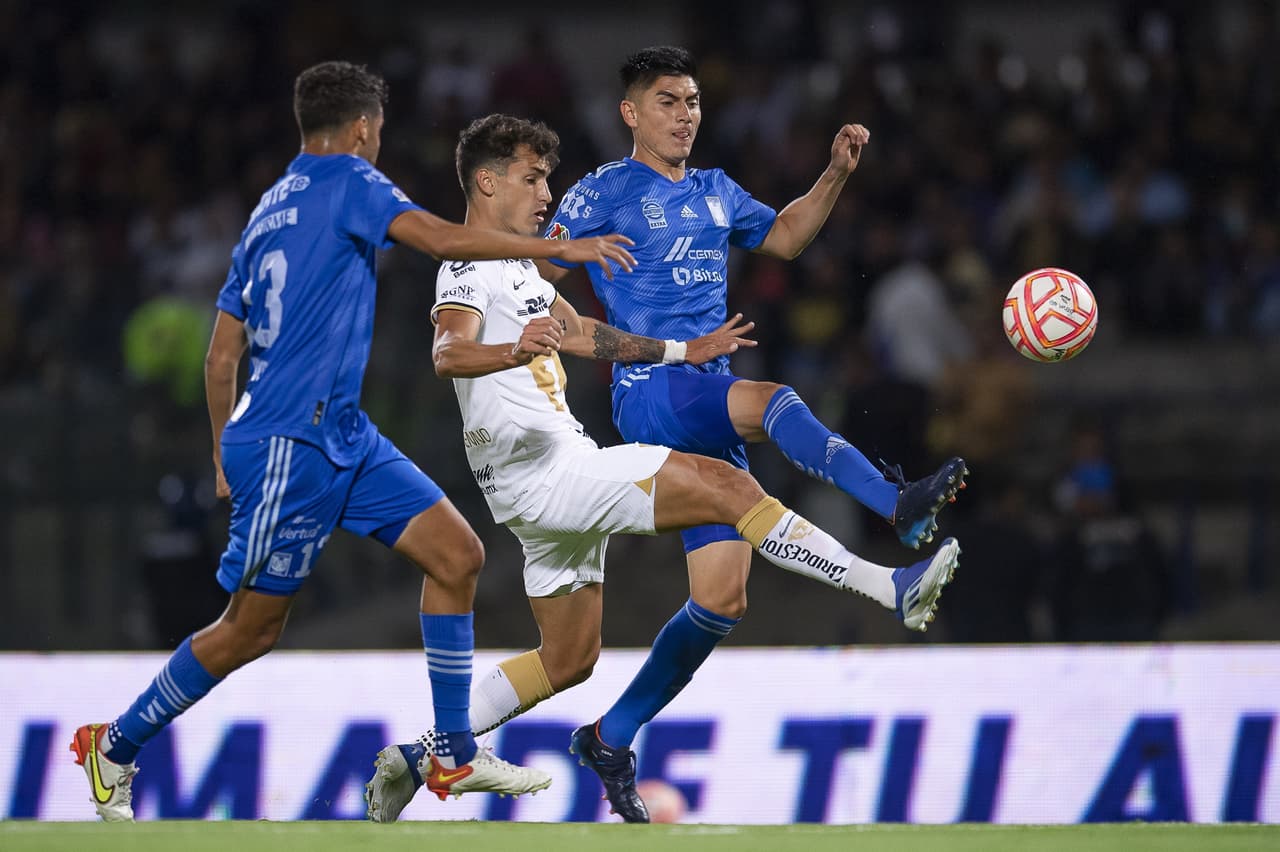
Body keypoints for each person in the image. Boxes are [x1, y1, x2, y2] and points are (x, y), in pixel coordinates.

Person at [68, 60, 639, 822]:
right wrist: (555, 252)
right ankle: (114, 746)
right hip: (287, 445)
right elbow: (438, 238)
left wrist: (216, 451)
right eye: (379, 132)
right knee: (250, 629)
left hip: (342, 436)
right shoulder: (350, 180)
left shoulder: (267, 211)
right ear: (366, 128)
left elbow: (219, 356)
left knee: (457, 554)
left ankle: (450, 754)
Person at [364, 113, 960, 823]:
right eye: (532, 178)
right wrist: (513, 351)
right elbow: (447, 354)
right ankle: (889, 587)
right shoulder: (467, 266)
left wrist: (684, 353)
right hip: (550, 477)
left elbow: (588, 334)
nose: (546, 193)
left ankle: (417, 755)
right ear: (487, 182)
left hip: (547, 481)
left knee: (569, 658)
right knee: (729, 486)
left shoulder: (519, 267)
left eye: (548, 178)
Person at [533, 46, 967, 815]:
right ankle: (896, 507)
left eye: (694, 101)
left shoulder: (715, 190)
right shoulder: (602, 190)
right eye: (667, 101)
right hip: (651, 389)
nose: (685, 114)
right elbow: (535, 280)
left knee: (723, 599)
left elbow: (789, 236)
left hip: (706, 392)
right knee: (773, 402)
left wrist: (834, 172)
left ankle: (609, 735)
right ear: (631, 112)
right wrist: (593, 340)